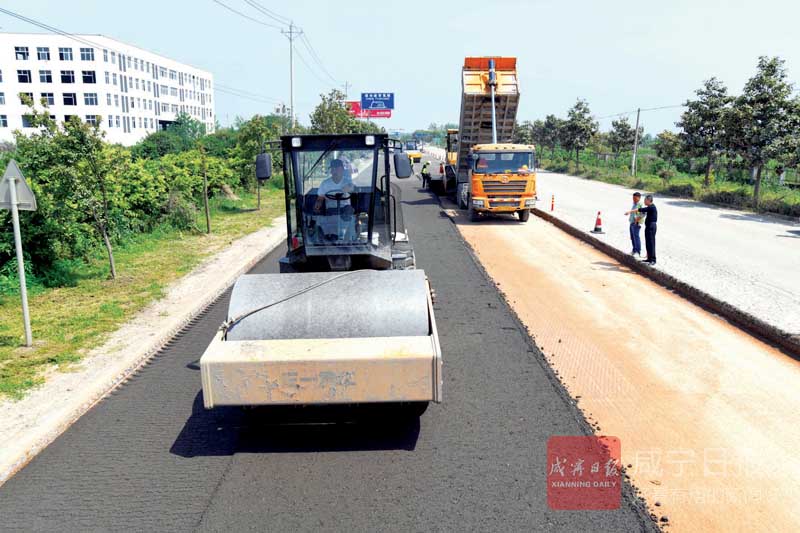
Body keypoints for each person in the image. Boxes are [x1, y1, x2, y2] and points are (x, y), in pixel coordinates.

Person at [625, 194, 658, 264]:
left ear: (649, 200)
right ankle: (649, 258)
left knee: (651, 243)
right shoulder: (649, 207)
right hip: (648, 226)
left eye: (645, 200)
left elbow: (641, 210)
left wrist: (629, 212)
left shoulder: (652, 207)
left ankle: (653, 260)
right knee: (648, 242)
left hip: (651, 226)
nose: (644, 201)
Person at [627, 192, 645, 258]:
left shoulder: (640, 204)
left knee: (636, 237)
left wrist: (637, 220)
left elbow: (643, 214)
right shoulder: (634, 204)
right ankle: (634, 250)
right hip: (632, 222)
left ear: (639, 198)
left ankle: (638, 252)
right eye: (633, 198)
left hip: (636, 223)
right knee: (632, 237)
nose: (633, 199)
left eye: (635, 198)